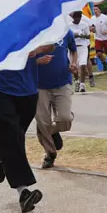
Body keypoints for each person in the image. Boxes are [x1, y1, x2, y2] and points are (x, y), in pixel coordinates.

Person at [0, 44, 54, 213]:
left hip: (28, 91)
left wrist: (35, 50)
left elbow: (51, 43)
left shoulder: (28, 20)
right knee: (13, 133)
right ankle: (23, 192)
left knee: (13, 135)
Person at [35, 30, 77, 169]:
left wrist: (74, 63)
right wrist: (36, 61)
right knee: (43, 120)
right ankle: (50, 154)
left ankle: (51, 131)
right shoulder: (33, 31)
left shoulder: (65, 31)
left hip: (62, 81)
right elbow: (22, 57)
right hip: (39, 85)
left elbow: (73, 50)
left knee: (65, 118)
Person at [68, 11, 93, 92]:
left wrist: (81, 35)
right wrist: (73, 36)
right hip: (72, 48)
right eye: (76, 18)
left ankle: (82, 84)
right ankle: (76, 81)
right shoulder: (69, 25)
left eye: (79, 18)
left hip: (83, 46)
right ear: (73, 18)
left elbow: (89, 36)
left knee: (83, 65)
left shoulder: (84, 25)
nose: (78, 19)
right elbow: (66, 37)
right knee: (73, 66)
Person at [92, 5, 107, 72]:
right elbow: (91, 27)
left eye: (96, 9)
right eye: (94, 9)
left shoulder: (105, 17)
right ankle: (104, 63)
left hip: (106, 38)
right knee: (98, 53)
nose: (95, 11)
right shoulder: (92, 18)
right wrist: (92, 29)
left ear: (99, 10)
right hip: (97, 38)